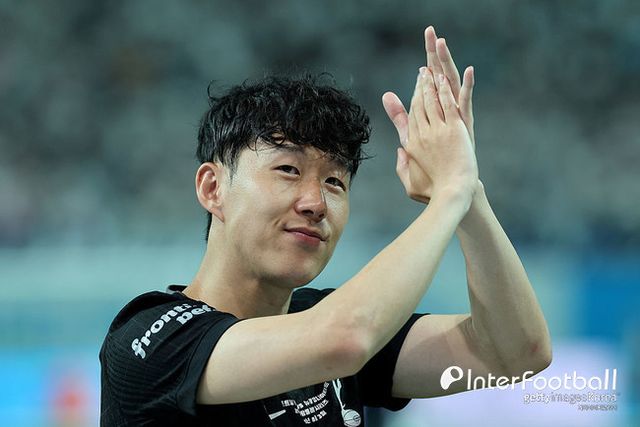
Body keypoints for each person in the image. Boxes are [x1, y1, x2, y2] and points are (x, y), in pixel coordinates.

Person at [99, 26, 552, 426]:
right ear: (212, 188)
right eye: (288, 170)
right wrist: (448, 196)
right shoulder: (152, 338)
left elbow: (515, 354)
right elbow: (344, 339)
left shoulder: (319, 316)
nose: (316, 203)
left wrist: (470, 193)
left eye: (335, 182)